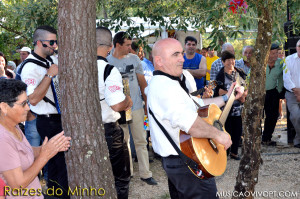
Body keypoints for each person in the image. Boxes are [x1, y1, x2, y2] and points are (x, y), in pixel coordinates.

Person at [146, 38, 245, 198]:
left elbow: (198, 103)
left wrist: (227, 97)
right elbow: (192, 125)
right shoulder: (165, 87)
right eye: (176, 54)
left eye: (182, 54)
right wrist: (219, 135)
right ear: (159, 60)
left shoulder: (168, 82)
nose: (182, 59)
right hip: (186, 163)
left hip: (182, 160)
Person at [0, 79, 70, 199]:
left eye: (27, 102)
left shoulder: (13, 125)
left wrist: (49, 148)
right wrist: (45, 155)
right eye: (23, 104)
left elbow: (22, 153)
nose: (28, 108)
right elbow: (17, 185)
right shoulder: (2, 139)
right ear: (4, 107)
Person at [20, 25, 69, 198]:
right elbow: (32, 98)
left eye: (56, 42)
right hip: (47, 121)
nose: (55, 46)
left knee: (58, 166)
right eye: (52, 42)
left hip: (58, 118)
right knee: (59, 165)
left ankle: (56, 195)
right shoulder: (29, 67)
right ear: (39, 43)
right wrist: (49, 76)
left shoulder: (51, 60)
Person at [107, 32, 157, 185]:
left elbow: (143, 84)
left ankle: (146, 173)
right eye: (127, 45)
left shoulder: (135, 59)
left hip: (136, 107)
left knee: (141, 140)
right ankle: (128, 173)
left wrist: (146, 106)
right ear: (117, 45)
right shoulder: (107, 62)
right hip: (118, 109)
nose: (130, 47)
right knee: (124, 142)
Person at [96, 27, 133, 199]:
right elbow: (117, 105)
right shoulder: (109, 69)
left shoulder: (75, 68)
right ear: (110, 46)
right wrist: (127, 100)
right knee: (121, 179)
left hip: (82, 130)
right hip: (108, 131)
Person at [214, 51, 247, 160]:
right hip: (225, 108)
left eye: (232, 59)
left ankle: (234, 152)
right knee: (227, 130)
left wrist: (243, 95)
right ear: (223, 62)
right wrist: (229, 93)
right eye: (228, 60)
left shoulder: (239, 72)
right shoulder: (220, 75)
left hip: (238, 107)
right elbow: (218, 92)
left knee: (238, 130)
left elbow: (246, 86)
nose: (230, 62)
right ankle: (225, 153)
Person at [261, 44, 284, 146]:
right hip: (259, 93)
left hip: (272, 92)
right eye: (273, 53)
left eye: (277, 53)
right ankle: (257, 139)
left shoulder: (280, 63)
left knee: (273, 116)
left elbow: (282, 77)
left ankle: (267, 138)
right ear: (267, 53)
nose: (275, 55)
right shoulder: (260, 63)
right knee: (258, 117)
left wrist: (279, 91)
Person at [283, 39, 300, 148]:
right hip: (291, 93)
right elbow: (286, 78)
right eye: (299, 46)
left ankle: (298, 139)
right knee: (296, 117)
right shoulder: (288, 60)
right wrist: (297, 92)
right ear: (296, 47)